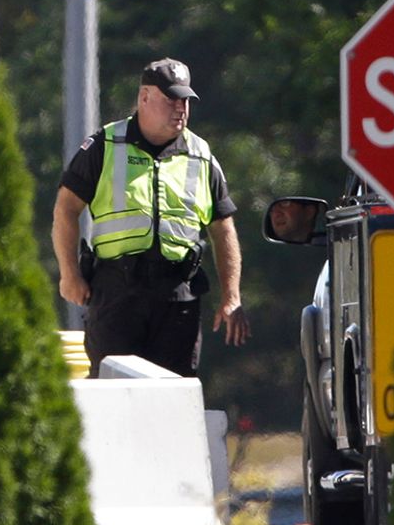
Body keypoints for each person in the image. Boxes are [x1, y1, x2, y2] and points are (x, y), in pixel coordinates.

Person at [52, 57, 251, 377]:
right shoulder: (105, 145)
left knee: (173, 396)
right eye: (171, 98)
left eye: (186, 100)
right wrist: (69, 274)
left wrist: (232, 295)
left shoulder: (200, 155)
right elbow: (66, 208)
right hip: (117, 293)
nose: (181, 108)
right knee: (113, 393)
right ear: (144, 97)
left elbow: (222, 228)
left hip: (177, 298)